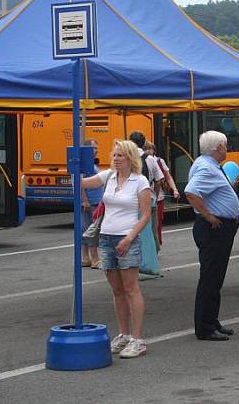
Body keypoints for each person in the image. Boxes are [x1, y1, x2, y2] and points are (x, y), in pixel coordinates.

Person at [80, 139, 152, 359]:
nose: (115, 159)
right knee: (117, 290)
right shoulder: (109, 177)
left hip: (126, 238)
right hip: (107, 238)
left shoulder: (140, 182)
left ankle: (138, 339)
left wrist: (129, 238)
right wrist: (75, 165)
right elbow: (84, 183)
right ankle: (123, 333)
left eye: (120, 155)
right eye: (114, 155)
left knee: (131, 288)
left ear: (130, 157)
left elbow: (146, 215)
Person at [184, 130, 239, 341]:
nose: (226, 149)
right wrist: (209, 216)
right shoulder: (207, 168)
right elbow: (191, 192)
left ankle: (212, 321)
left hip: (217, 228)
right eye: (225, 145)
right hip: (214, 229)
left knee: (215, 278)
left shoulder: (205, 164)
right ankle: (206, 327)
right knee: (211, 278)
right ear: (218, 148)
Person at [128, 131, 163, 260]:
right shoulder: (150, 159)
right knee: (151, 228)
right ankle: (153, 254)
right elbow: (159, 180)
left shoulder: (127, 157)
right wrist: (156, 195)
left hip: (131, 201)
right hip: (149, 199)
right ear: (143, 144)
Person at [144, 141, 180, 246]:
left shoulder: (159, 161)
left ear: (153, 150)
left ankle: (156, 245)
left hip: (158, 198)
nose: (147, 151)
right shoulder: (139, 160)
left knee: (157, 223)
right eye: (145, 148)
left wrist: (175, 189)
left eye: (149, 148)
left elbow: (167, 176)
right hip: (145, 198)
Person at [80, 139, 102, 269]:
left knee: (86, 229)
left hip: (93, 201)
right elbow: (80, 184)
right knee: (91, 230)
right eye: (94, 148)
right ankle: (94, 258)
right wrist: (85, 200)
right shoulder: (85, 164)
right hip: (91, 202)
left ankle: (86, 257)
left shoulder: (89, 163)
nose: (96, 150)